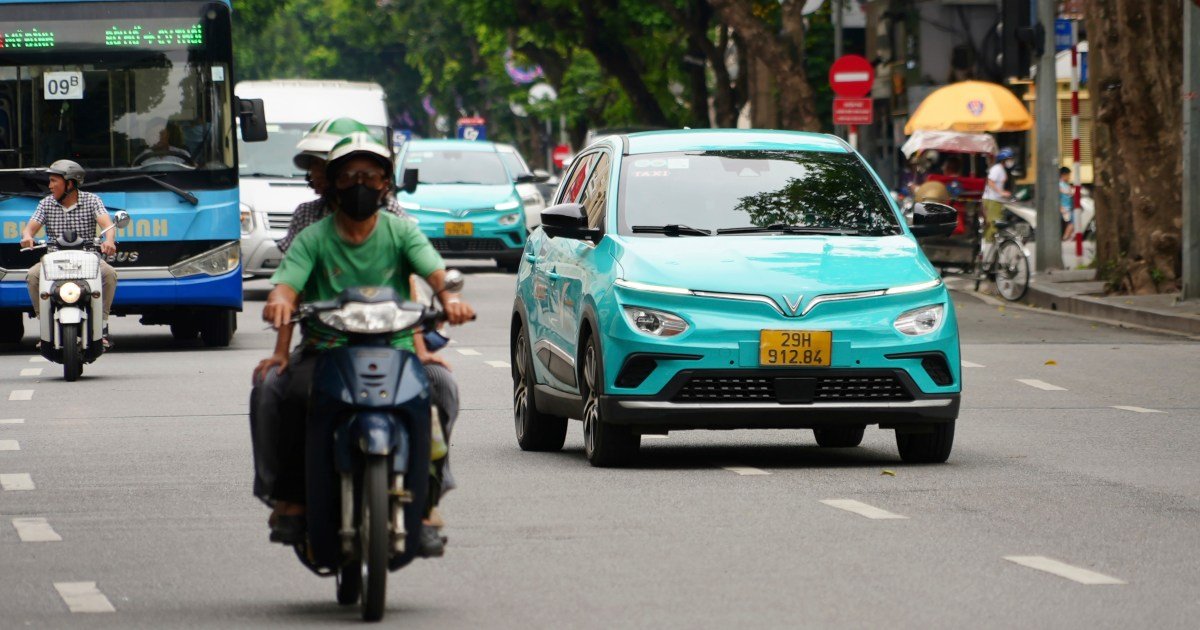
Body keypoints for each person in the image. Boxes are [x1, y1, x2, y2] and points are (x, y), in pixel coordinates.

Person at [251, 133, 474, 555]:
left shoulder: (401, 232)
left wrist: (451, 299)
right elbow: (287, 285)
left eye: (370, 176)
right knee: (287, 393)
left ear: (385, 184)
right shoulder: (313, 237)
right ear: (334, 183)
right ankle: (292, 498)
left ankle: (427, 503)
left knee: (440, 388)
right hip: (326, 351)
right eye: (350, 176)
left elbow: (435, 273)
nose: (361, 185)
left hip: (398, 350)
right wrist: (280, 303)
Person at [20, 160, 118, 348]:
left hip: (88, 258)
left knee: (109, 274)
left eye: (54, 181)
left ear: (70, 183)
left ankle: (101, 324)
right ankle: (45, 325)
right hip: (54, 261)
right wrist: (27, 237)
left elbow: (107, 225)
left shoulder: (92, 200)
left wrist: (109, 241)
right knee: (32, 275)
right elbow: (30, 228)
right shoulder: (46, 203)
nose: (50, 186)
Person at [276, 118, 405, 253]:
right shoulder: (306, 214)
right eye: (314, 164)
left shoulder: (389, 211)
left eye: (324, 165)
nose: (317, 173)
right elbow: (292, 262)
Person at [982, 148, 1015, 243]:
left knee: (994, 222)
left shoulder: (1001, 169)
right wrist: (1000, 192)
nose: (1011, 161)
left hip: (995, 199)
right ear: (1003, 160)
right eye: (1009, 159)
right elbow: (990, 181)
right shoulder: (997, 169)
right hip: (992, 200)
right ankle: (990, 243)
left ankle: (991, 242)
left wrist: (1003, 193)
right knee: (994, 222)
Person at [1058, 166, 1075, 241]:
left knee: (1071, 222)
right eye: (1068, 175)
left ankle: (1064, 238)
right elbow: (1058, 197)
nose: (1069, 177)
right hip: (1064, 208)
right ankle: (1064, 238)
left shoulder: (1066, 184)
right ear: (1063, 175)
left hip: (1068, 208)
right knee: (1072, 222)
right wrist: (1061, 207)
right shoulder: (1059, 185)